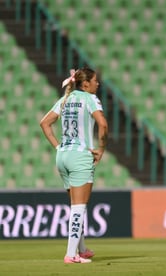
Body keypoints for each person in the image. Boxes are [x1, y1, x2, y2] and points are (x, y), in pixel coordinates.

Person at [40, 67, 108, 264]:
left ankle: (83, 249)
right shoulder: (90, 98)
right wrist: (101, 148)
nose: (98, 84)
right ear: (85, 84)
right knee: (79, 207)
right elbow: (102, 124)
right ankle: (71, 255)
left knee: (75, 204)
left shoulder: (65, 99)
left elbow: (44, 123)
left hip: (62, 156)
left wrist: (58, 147)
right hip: (80, 156)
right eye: (95, 80)